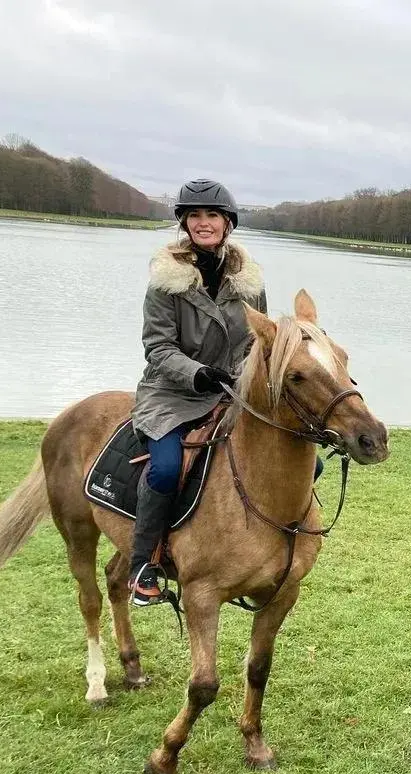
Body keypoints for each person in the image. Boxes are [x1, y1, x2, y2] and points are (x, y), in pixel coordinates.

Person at [128, 178, 267, 606]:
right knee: (167, 468)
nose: (203, 223)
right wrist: (198, 373)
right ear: (184, 224)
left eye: (212, 216)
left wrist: (241, 377)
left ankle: (268, 555)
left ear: (228, 223)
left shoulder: (250, 283)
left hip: (229, 391)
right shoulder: (164, 283)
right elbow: (158, 348)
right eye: (195, 216)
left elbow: (257, 344)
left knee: (305, 462)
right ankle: (144, 562)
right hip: (171, 393)